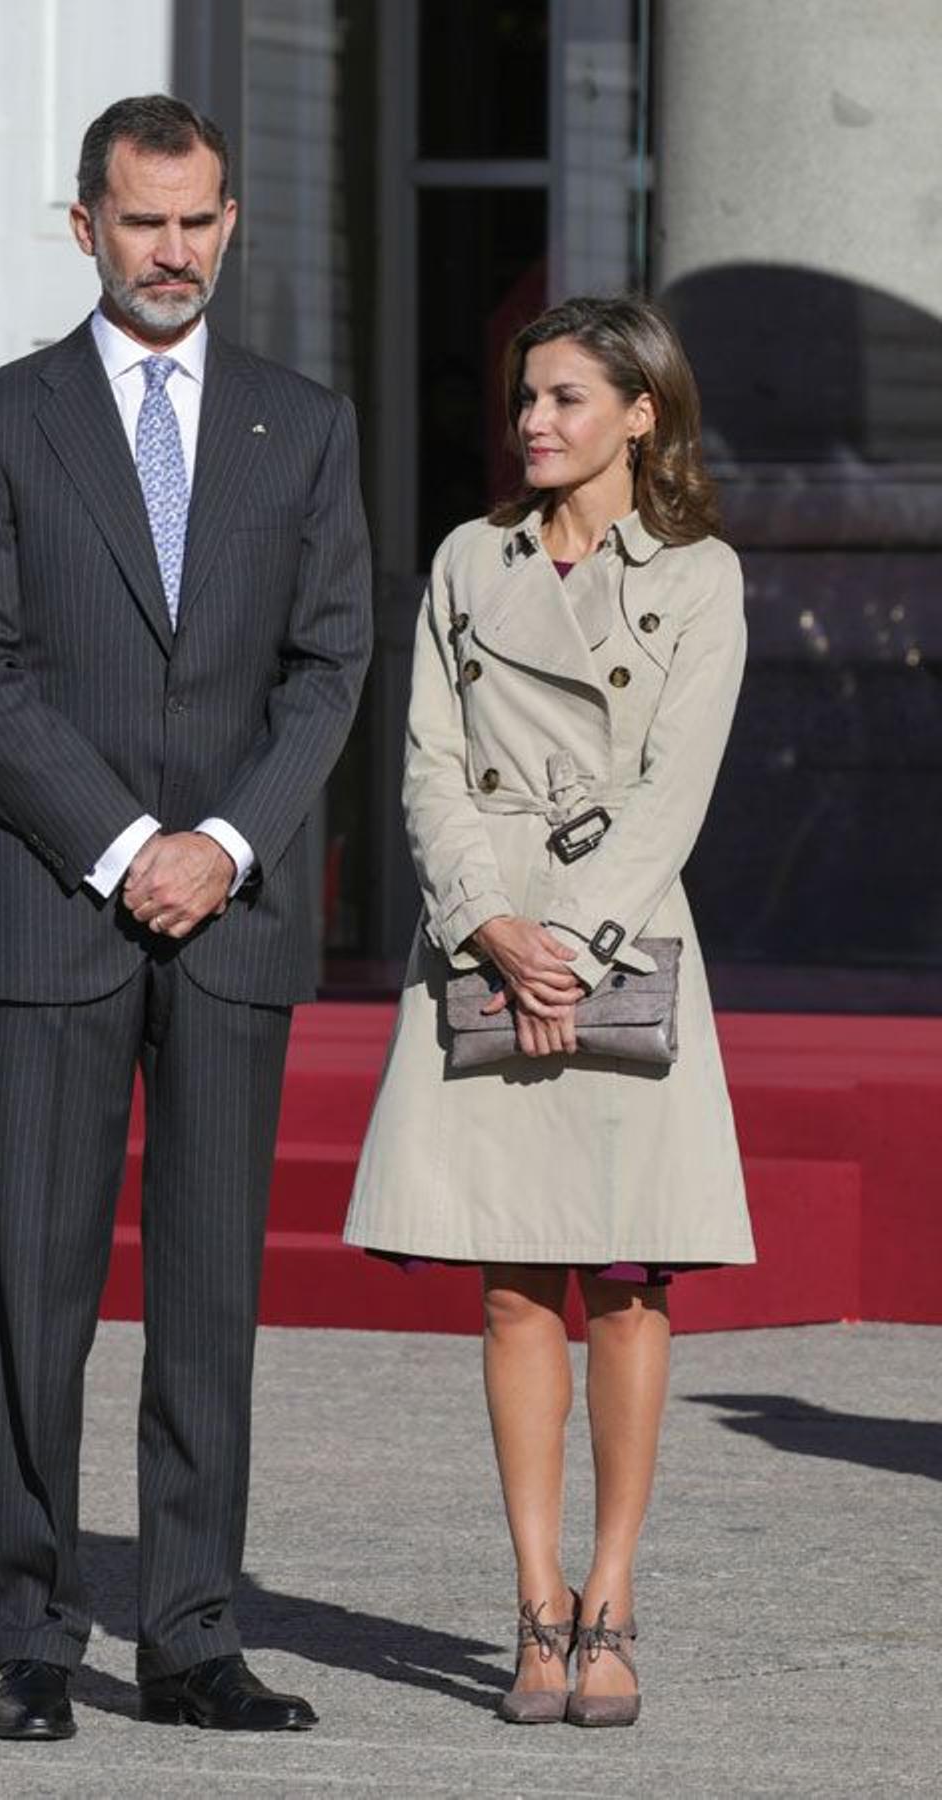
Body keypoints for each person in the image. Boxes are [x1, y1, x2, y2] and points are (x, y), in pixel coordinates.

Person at [0, 94, 371, 1741]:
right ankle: (35, 1635)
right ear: (85, 226)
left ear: (231, 223)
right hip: (62, 913)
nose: (171, 252)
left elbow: (332, 664)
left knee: (209, 1294)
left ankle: (189, 1635)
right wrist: (130, 847)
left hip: (234, 926)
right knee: (39, 1288)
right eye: (141, 222)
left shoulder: (302, 426)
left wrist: (231, 844)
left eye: (197, 222)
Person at [344, 296, 754, 1728]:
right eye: (526, 397)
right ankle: (532, 1610)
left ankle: (613, 1599)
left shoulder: (700, 576)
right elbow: (426, 765)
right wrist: (491, 928)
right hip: (485, 934)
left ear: (642, 413)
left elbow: (677, 792)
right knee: (514, 1283)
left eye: (568, 399)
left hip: (621, 940)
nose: (535, 421)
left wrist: (570, 945)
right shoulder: (470, 561)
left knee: (633, 1285)